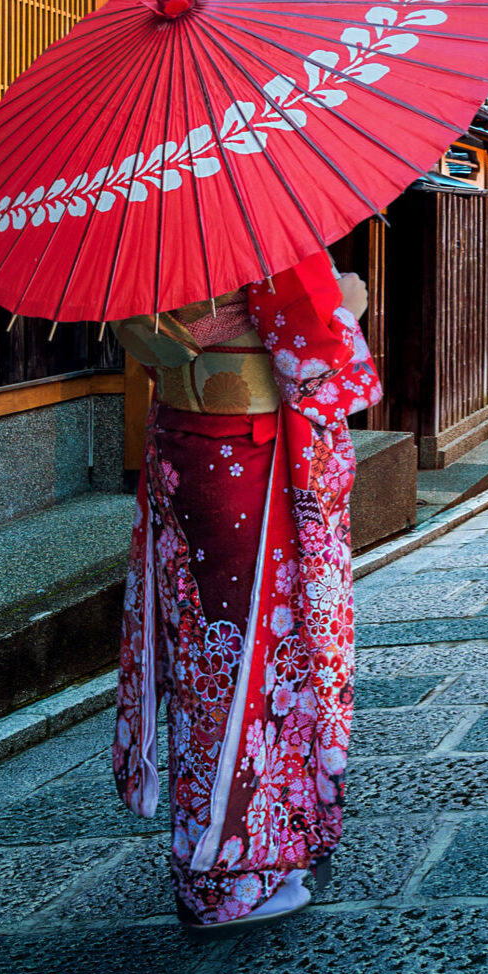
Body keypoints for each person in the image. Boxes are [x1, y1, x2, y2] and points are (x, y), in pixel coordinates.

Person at [108, 251, 377, 933]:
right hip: (246, 458)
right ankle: (227, 879)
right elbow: (320, 354)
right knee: (252, 663)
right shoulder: (252, 224)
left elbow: (153, 340)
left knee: (210, 660)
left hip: (180, 443)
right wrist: (350, 301)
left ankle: (255, 849)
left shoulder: (142, 223)